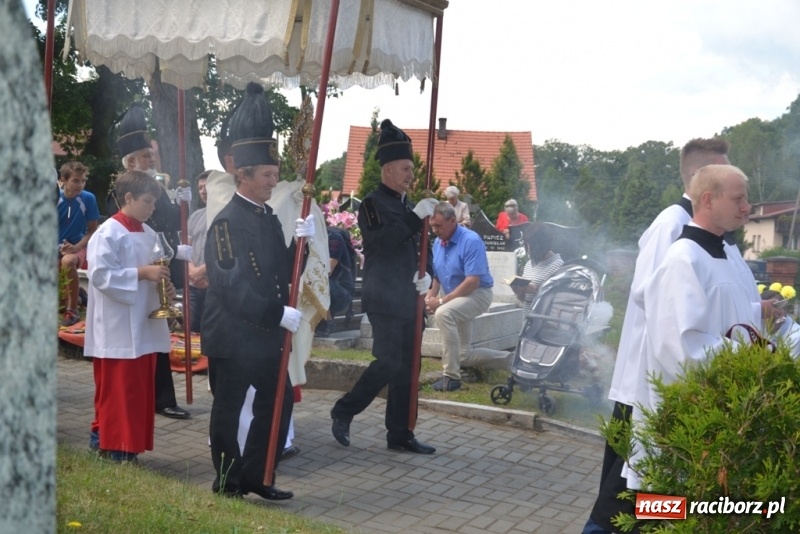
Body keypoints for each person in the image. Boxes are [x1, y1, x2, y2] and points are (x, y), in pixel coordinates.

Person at [582, 140, 777, 533]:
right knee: (634, 500)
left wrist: (762, 318)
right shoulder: (676, 234)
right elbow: (652, 301)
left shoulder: (723, 245)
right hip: (660, 384)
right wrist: (747, 352)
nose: (747, 207)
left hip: (711, 392)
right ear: (705, 190)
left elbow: (727, 310)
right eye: (737, 195)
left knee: (654, 503)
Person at [201, 82, 315, 500]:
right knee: (228, 411)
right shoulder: (227, 223)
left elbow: (284, 268)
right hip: (233, 336)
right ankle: (228, 482)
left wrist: (305, 241)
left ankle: (257, 476)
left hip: (264, 335)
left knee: (278, 402)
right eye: (267, 175)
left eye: (274, 174)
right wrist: (276, 314)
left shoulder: (267, 217)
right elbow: (231, 288)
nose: (274, 181)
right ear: (242, 176)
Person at [330, 118, 439, 454]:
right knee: (389, 362)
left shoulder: (409, 206)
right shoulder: (372, 204)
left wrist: (428, 276)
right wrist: (414, 218)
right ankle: (344, 410)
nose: (411, 175)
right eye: (405, 168)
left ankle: (400, 433)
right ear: (388, 169)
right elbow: (382, 243)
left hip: (409, 297)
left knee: (409, 369)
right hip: (384, 297)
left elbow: (424, 248)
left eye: (411, 169)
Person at [109, 102, 192, 421]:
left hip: (160, 262)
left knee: (159, 333)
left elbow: (167, 219)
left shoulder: (157, 187)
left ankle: (163, 397)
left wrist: (177, 203)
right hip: (137, 270)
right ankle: (154, 397)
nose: (152, 159)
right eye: (146, 156)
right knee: (147, 335)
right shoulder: (121, 191)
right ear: (131, 161)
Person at [84, 170, 174, 462]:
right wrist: (143, 273)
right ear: (128, 198)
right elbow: (100, 275)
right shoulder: (107, 233)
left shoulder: (148, 233)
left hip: (144, 322)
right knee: (118, 389)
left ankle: (123, 443)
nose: (152, 208)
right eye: (147, 201)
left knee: (137, 390)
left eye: (154, 203)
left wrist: (164, 287)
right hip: (117, 325)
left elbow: (154, 271)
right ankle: (113, 446)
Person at [424, 202, 510, 392]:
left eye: (439, 226)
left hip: (477, 294)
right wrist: (430, 296)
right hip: (456, 297)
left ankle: (451, 377)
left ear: (453, 221)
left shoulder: (470, 240)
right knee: (463, 355)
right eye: (432, 226)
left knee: (444, 314)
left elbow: (473, 281)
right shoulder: (438, 242)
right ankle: (512, 361)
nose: (434, 230)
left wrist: (440, 302)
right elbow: (438, 276)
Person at [57, 161, 99, 326]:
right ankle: (79, 296)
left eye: (83, 180)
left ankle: (72, 309)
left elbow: (93, 230)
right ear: (63, 180)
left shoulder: (88, 198)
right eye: (75, 180)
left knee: (68, 261)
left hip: (78, 245)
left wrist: (76, 247)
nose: (80, 185)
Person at [512, 223, 564, 320]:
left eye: (532, 246)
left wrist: (536, 290)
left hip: (545, 323)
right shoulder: (529, 264)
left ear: (543, 245)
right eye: (526, 245)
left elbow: (558, 300)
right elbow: (525, 301)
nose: (529, 250)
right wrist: (519, 292)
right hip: (527, 321)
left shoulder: (558, 266)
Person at [316, 226, 356, 337]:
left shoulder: (334, 238)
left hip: (342, 291)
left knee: (314, 281)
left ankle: (328, 322)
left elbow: (328, 270)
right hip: (331, 286)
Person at [187, 170, 211, 332]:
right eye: (200, 187)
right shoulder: (195, 216)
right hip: (193, 284)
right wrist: (193, 271)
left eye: (206, 187)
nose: (203, 191)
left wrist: (202, 271)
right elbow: (186, 247)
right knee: (191, 328)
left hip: (214, 285)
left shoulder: (226, 216)